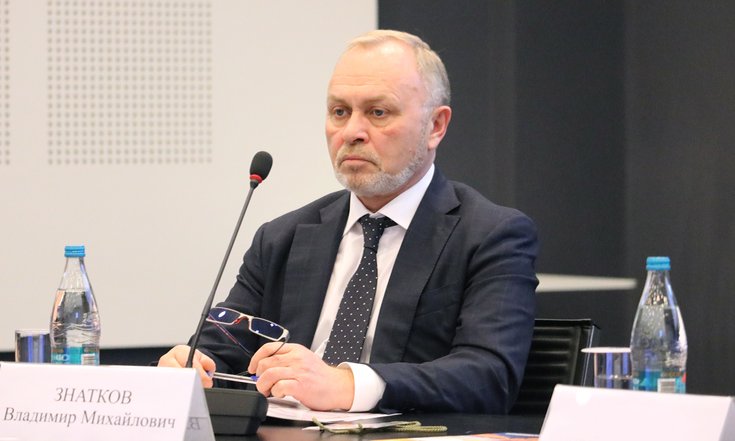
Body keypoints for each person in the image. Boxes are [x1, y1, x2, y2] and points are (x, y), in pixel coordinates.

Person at [158, 29, 538, 414]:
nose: (352, 132)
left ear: (435, 126)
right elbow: (223, 346)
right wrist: (194, 363)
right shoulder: (282, 238)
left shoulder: (489, 236)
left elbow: (489, 376)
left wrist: (348, 385)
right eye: (339, 112)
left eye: (378, 112)